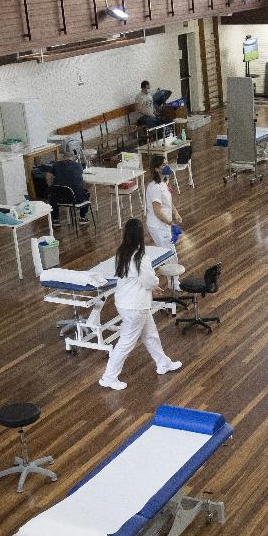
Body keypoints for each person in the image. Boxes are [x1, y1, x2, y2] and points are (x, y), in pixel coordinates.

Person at [99, 218, 182, 390]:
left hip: (125, 302)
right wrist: (155, 285)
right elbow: (149, 280)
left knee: (151, 335)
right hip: (136, 306)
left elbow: (139, 281)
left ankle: (163, 363)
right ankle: (109, 376)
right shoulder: (140, 258)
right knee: (126, 342)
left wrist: (152, 287)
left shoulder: (121, 253)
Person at [144, 155, 181, 255]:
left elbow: (167, 201)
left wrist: (175, 212)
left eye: (167, 164)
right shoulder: (155, 187)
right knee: (170, 255)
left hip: (164, 224)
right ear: (156, 169)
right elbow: (157, 212)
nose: (167, 166)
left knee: (168, 254)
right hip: (158, 226)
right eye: (164, 165)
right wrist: (172, 224)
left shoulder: (163, 183)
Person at [40, 157, 94, 225]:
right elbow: (81, 180)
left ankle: (55, 219)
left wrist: (51, 186)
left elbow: (48, 176)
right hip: (75, 199)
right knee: (86, 192)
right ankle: (82, 218)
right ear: (73, 159)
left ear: (62, 158)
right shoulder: (78, 165)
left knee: (52, 195)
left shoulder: (56, 164)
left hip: (59, 198)